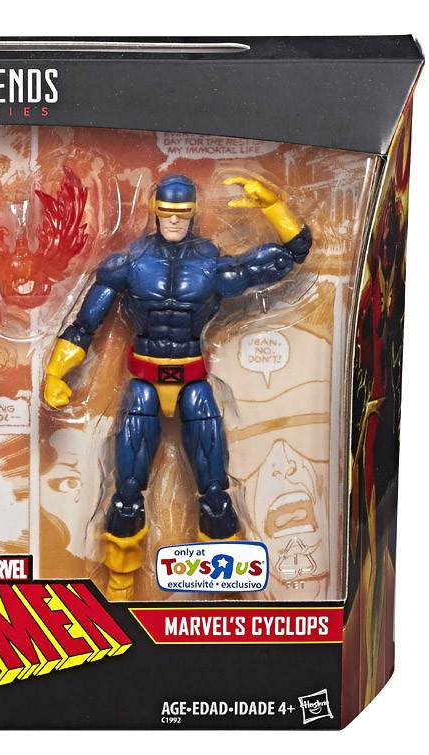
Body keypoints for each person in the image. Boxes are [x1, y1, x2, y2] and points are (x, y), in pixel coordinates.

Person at [43, 174, 312, 600]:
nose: (173, 221)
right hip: (145, 383)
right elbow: (84, 323)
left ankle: (226, 588)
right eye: (167, 213)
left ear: (192, 213)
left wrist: (274, 206)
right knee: (127, 493)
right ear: (154, 210)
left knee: (215, 491)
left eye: (181, 213)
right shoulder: (128, 264)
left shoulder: (213, 266)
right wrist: (56, 374)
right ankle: (120, 582)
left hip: (192, 383)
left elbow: (292, 255)